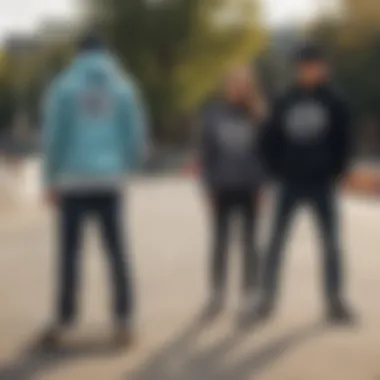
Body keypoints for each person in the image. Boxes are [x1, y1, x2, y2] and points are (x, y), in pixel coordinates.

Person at [41, 31, 148, 347]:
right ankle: (124, 319)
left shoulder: (64, 85)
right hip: (109, 180)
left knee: (70, 253)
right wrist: (126, 166)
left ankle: (64, 319)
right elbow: (136, 133)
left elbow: (54, 135)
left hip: (73, 180)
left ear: (78, 53)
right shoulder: (123, 86)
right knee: (116, 251)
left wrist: (50, 179)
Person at [257, 44, 353, 323]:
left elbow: (344, 141)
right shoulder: (284, 100)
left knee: (331, 244)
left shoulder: (335, 100)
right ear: (297, 69)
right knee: (275, 242)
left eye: (314, 65)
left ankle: (335, 301)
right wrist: (276, 172)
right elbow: (268, 139)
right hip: (290, 182)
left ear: (323, 68)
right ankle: (266, 299)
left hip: (322, 183)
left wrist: (337, 172)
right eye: (304, 66)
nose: (309, 71)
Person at [198, 66, 266, 326]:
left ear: (249, 87)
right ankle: (217, 292)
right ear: (226, 87)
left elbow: (265, 156)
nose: (236, 88)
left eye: (241, 84)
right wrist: (207, 187)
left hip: (249, 188)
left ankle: (249, 292)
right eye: (232, 83)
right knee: (220, 243)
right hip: (222, 187)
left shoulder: (259, 115)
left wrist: (262, 187)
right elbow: (206, 154)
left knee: (250, 243)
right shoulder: (214, 115)